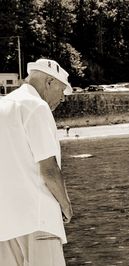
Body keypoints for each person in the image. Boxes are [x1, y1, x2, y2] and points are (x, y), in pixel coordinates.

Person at [0, 58, 73, 266]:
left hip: (4, 222)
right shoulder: (36, 107)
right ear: (49, 82)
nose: (62, 98)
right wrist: (66, 205)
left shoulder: (2, 105)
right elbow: (49, 169)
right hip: (37, 218)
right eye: (62, 91)